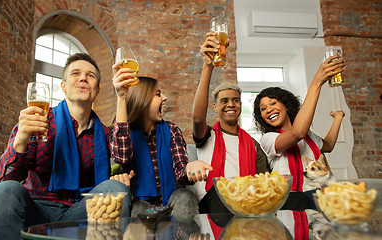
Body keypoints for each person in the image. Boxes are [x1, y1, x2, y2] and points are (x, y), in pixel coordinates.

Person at [0, 53, 132, 240]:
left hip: (80, 211)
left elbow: (123, 156)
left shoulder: (103, 133)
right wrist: (20, 140)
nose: (83, 77)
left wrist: (121, 97)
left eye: (90, 75)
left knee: (116, 188)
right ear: (63, 86)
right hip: (36, 209)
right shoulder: (39, 121)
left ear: (97, 90)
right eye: (76, 73)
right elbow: (2, 181)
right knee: (4, 191)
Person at [111, 61, 211, 219]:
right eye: (158, 94)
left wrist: (189, 168)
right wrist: (122, 98)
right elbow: (121, 157)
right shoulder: (123, 132)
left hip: (170, 203)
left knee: (185, 196)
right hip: (141, 203)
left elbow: (180, 170)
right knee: (139, 208)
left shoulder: (172, 130)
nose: (164, 98)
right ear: (142, 99)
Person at [252, 55, 345, 210]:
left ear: (286, 105)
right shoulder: (268, 139)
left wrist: (338, 118)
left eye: (273, 103)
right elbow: (297, 133)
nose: (269, 109)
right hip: (290, 197)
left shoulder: (307, 136)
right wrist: (317, 82)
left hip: (318, 193)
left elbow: (327, 146)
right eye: (263, 109)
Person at [191, 32, 269, 214]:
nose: (231, 104)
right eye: (224, 101)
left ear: (241, 105)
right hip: (213, 201)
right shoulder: (208, 135)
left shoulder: (253, 144)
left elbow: (261, 181)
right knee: (222, 193)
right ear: (215, 107)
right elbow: (197, 118)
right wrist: (207, 66)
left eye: (235, 100)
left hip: (245, 201)